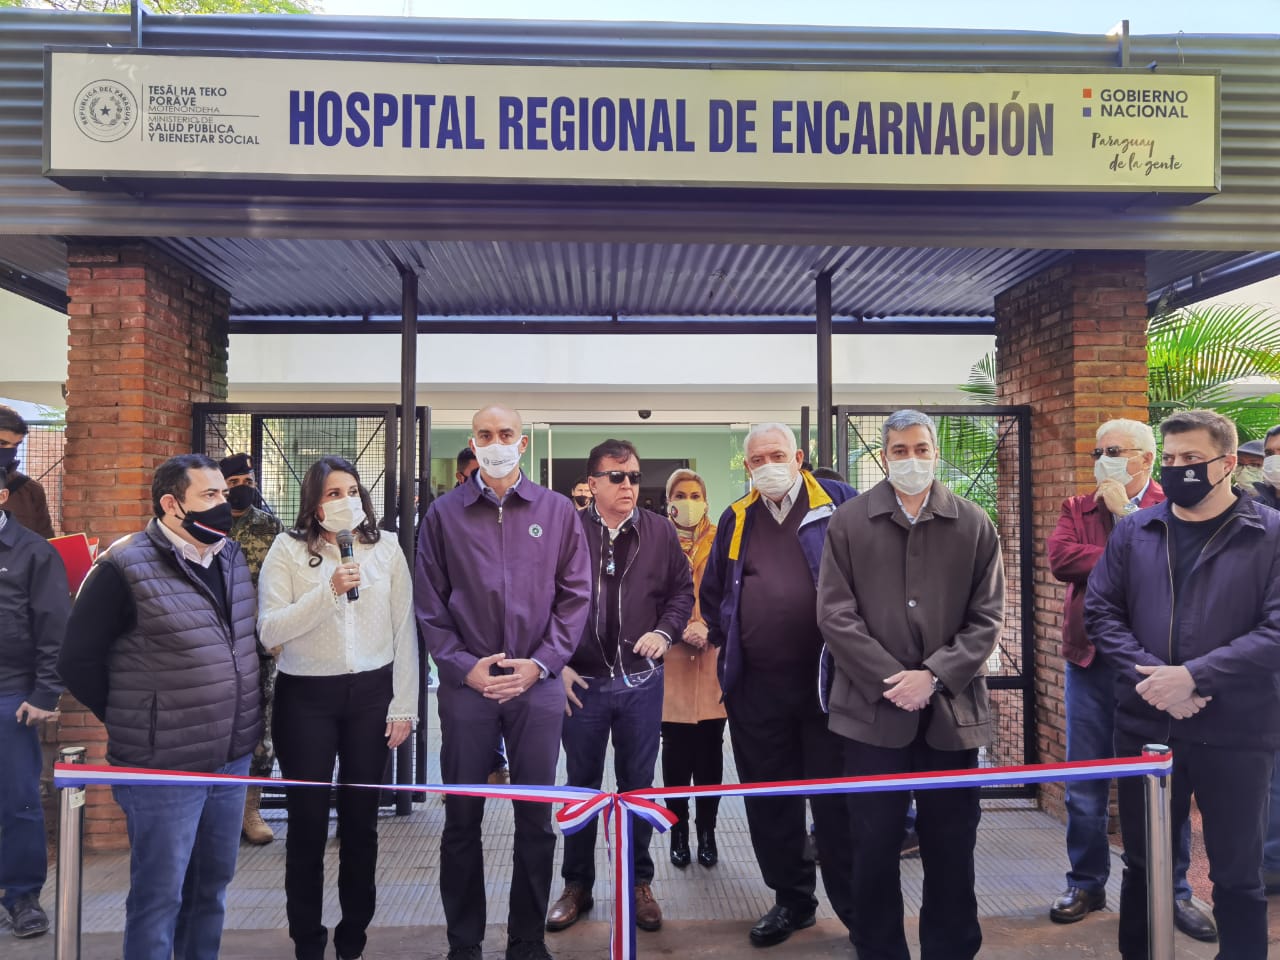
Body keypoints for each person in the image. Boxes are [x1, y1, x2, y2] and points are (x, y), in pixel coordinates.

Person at [1086, 409, 1280, 960]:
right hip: (1147, 724)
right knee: (1143, 865)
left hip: (1239, 728)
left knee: (1238, 872)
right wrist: (1156, 681)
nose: (1177, 470)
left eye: (1191, 459)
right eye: (1169, 459)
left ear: (1226, 464)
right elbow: (1102, 613)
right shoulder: (1134, 530)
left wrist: (1194, 677)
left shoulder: (1269, 534)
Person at [59, 454, 262, 960]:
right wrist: (143, 717)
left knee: (211, 888)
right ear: (172, 505)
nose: (225, 504)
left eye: (224, 493)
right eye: (210, 496)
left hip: (230, 757)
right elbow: (77, 660)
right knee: (159, 897)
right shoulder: (122, 567)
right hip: (163, 764)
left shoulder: (230, 557)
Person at [817, 408, 1003, 960]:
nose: (912, 460)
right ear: (883, 455)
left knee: (952, 844)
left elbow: (987, 617)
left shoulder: (973, 522)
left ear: (936, 452)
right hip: (871, 717)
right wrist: (890, 679)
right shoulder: (849, 522)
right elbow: (834, 614)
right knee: (872, 845)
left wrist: (935, 677)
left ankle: (950, 949)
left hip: (953, 717)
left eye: (921, 449)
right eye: (900, 450)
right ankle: (878, 949)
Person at [416, 404, 590, 960]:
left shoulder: (557, 510)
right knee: (462, 817)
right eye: (486, 434)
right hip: (467, 687)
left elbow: (575, 596)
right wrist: (461, 665)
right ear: (473, 441)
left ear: (522, 442)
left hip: (535, 686)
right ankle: (464, 941)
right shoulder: (443, 514)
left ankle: (527, 938)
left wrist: (541, 665)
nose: (497, 442)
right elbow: (429, 603)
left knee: (535, 818)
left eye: (506, 434)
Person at [1045, 419, 1216, 941]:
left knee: (1165, 780)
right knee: (1085, 781)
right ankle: (1086, 882)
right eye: (1098, 450)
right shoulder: (1077, 508)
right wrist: (1126, 553)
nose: (1103, 459)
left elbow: (1178, 561)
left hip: (1153, 666)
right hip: (1091, 662)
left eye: (1114, 450)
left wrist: (1127, 516)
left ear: (1145, 457)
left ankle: (1176, 891)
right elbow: (1062, 559)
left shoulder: (1175, 503)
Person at [700, 422, 857, 948]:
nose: (767, 465)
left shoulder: (839, 504)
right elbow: (715, 592)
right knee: (771, 800)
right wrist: (734, 642)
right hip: (757, 690)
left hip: (829, 686)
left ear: (799, 456)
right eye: (757, 459)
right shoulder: (736, 517)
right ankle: (793, 900)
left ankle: (858, 910)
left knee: (836, 803)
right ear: (746, 467)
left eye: (776, 454)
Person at [256, 456, 416, 960]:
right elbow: (270, 631)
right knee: (305, 824)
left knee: (361, 823)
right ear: (313, 502)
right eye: (331, 493)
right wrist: (328, 591)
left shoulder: (385, 547)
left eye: (351, 490)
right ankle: (307, 939)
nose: (344, 500)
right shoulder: (285, 550)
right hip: (306, 698)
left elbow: (404, 629)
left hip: (372, 695)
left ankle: (353, 938)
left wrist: (404, 704)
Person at [546, 441, 693, 934]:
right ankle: (577, 886)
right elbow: (543, 597)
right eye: (617, 477)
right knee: (582, 787)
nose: (629, 485)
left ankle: (638, 884)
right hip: (581, 684)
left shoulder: (658, 531)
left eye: (633, 476)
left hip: (640, 683)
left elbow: (680, 591)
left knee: (639, 788)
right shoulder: (566, 530)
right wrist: (557, 663)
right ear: (591, 484)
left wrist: (665, 631)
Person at [0, 463, 70, 938]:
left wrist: (45, 692)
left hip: (11, 693)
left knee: (19, 801)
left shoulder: (33, 552)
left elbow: (54, 627)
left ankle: (22, 896)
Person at [659, 468, 726, 870]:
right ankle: (678, 830)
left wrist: (710, 627)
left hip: (712, 659)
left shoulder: (721, 540)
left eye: (695, 494)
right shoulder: (657, 542)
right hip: (671, 660)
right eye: (680, 494)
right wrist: (676, 627)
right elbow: (646, 595)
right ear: (669, 499)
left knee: (711, 753)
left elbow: (735, 594)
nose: (688, 502)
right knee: (675, 753)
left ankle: (707, 831)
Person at [218, 452, 284, 846]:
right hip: (212, 645)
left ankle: (250, 808)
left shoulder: (270, 528)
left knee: (262, 726)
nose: (242, 489)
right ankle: (219, 811)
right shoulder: (206, 526)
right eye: (234, 483)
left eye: (248, 481)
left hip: (257, 646)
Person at [0, 405, 55, 539]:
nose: (9, 450)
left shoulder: (30, 490)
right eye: (1, 443)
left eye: (16, 445)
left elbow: (46, 545)